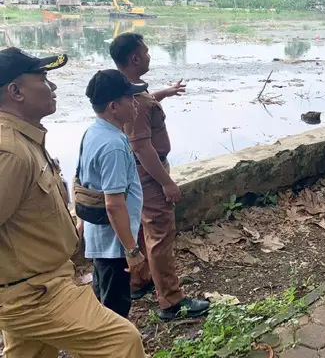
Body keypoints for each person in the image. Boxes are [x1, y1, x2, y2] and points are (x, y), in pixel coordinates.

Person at [0, 48, 145, 357]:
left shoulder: (26, 139)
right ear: (15, 91)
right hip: (35, 294)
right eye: (42, 78)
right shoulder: (10, 151)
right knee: (122, 342)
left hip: (38, 283)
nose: (52, 87)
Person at [110, 32, 209, 320]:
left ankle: (139, 280)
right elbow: (141, 145)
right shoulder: (135, 100)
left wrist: (164, 93)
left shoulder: (127, 92)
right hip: (150, 175)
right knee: (160, 234)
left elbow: (142, 105)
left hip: (137, 174)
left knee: (141, 228)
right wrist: (167, 182)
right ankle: (171, 301)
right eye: (147, 51)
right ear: (135, 58)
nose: (150, 56)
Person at [77, 70, 148, 318]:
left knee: (103, 301)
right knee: (114, 311)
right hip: (113, 245)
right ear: (114, 106)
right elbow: (114, 205)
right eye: (130, 98)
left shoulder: (94, 132)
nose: (136, 103)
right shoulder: (113, 146)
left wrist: (80, 224)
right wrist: (132, 251)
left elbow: (83, 183)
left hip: (100, 240)